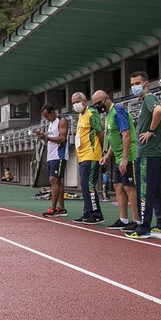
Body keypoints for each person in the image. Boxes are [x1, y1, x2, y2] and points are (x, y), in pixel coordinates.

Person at [126, 71, 161, 238]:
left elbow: (159, 111)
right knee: (157, 189)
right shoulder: (146, 101)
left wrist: (150, 131)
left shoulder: (150, 98)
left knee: (144, 190)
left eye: (137, 83)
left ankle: (144, 227)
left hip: (147, 153)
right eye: (132, 84)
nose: (134, 87)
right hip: (154, 152)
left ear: (146, 84)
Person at [93, 90, 140, 231]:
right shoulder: (108, 116)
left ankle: (137, 220)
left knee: (129, 187)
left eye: (99, 103)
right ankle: (123, 219)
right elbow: (115, 139)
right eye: (95, 104)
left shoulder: (118, 111)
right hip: (119, 157)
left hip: (129, 156)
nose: (97, 106)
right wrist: (107, 156)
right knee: (118, 187)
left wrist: (125, 159)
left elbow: (125, 135)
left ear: (107, 99)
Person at [70, 92, 104, 224]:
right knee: (84, 185)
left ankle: (96, 214)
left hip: (91, 154)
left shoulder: (91, 113)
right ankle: (87, 212)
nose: (75, 105)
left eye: (77, 101)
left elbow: (100, 133)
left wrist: (100, 150)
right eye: (73, 103)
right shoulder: (80, 115)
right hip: (82, 156)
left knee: (89, 184)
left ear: (84, 101)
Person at [35, 103, 69, 217]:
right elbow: (48, 138)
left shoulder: (62, 121)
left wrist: (47, 137)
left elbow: (62, 139)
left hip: (59, 155)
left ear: (53, 112)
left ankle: (53, 208)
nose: (46, 118)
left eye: (47, 116)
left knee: (53, 180)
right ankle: (62, 208)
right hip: (51, 156)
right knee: (58, 182)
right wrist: (42, 136)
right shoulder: (51, 123)